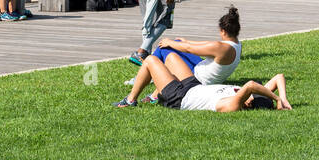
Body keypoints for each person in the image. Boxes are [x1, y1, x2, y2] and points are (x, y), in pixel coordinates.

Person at [120, 6, 244, 102]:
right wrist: (184, 41)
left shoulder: (221, 47)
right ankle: (153, 83)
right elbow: (204, 44)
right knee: (177, 43)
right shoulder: (237, 45)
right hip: (203, 72)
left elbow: (189, 49)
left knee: (164, 48)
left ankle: (149, 75)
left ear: (222, 31)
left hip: (197, 79)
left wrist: (171, 43)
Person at [116, 50, 290, 111]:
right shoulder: (252, 98)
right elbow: (278, 77)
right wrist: (283, 99)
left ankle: (130, 100)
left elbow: (251, 85)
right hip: (194, 86)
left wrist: (276, 99)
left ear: (249, 102)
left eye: (252, 96)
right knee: (171, 57)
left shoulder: (234, 104)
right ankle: (157, 95)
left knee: (150, 61)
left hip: (180, 98)